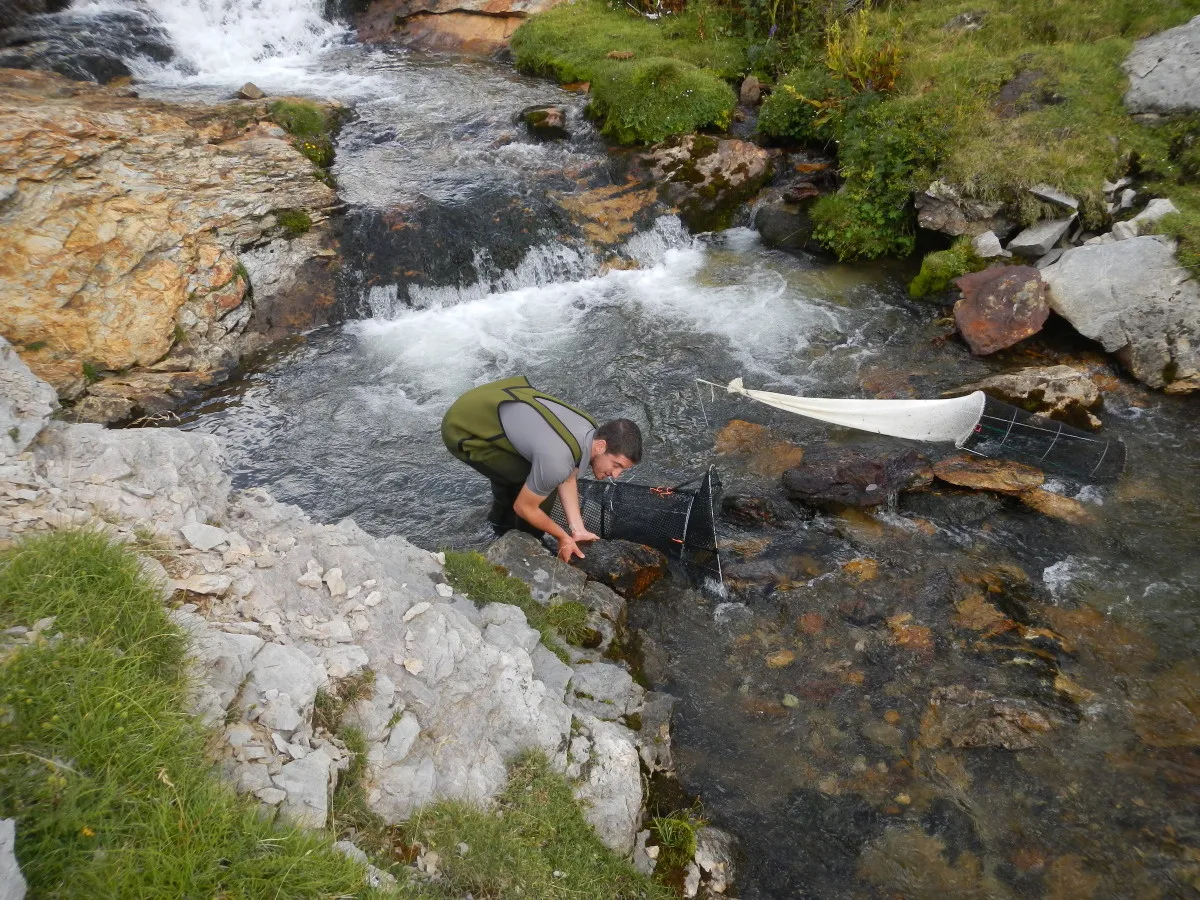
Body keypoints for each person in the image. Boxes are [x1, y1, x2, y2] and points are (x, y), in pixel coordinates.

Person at [441, 376, 642, 562]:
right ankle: (524, 541)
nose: (615, 475)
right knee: (540, 490)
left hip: (488, 400)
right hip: (463, 428)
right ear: (601, 446)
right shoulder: (557, 461)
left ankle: (501, 524)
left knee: (539, 478)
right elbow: (525, 506)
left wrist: (578, 530)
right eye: (616, 465)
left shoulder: (590, 430)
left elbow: (568, 477)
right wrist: (561, 536)